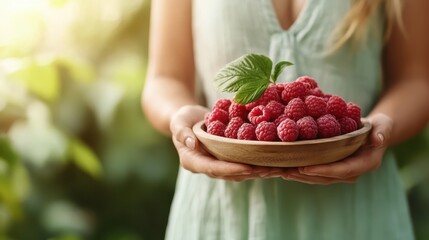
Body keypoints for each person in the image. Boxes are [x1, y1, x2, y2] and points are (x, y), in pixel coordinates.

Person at [142, 0, 429, 239]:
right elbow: (164, 79)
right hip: (220, 214)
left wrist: (380, 127)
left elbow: (416, 81)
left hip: (357, 211)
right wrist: (181, 119)